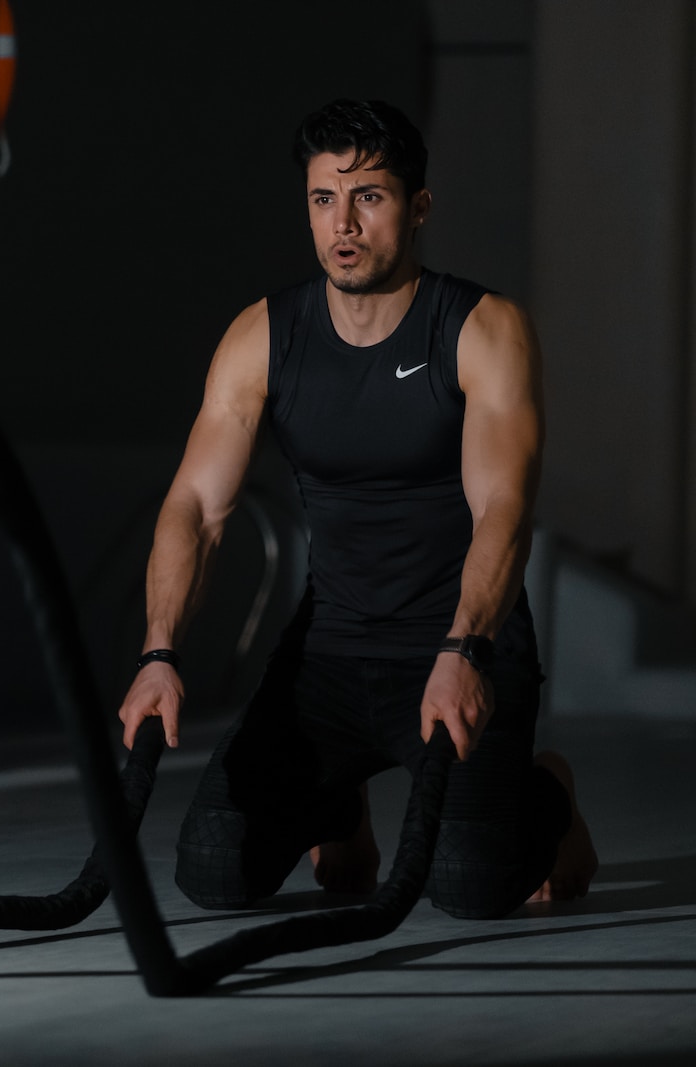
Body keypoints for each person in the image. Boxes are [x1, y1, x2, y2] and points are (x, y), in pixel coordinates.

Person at [116, 99, 597, 917]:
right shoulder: (263, 336)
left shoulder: (483, 329)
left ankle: (549, 796)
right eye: (323, 199)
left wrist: (465, 646)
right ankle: (340, 802)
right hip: (329, 655)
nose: (343, 222)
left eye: (368, 196)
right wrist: (158, 651)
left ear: (418, 208)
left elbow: (503, 507)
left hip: (461, 647)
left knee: (471, 886)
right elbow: (196, 505)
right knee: (211, 866)